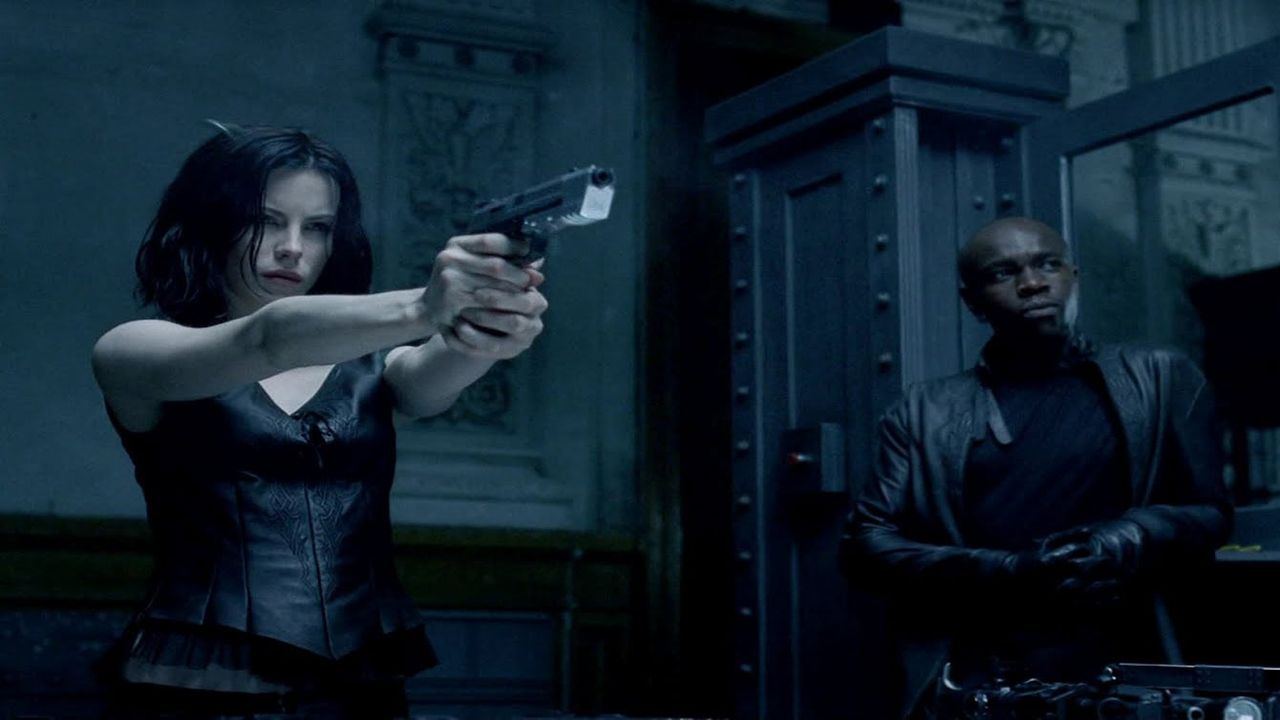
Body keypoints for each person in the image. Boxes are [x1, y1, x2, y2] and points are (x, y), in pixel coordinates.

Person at [90, 123, 549, 718]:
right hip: (197, 682)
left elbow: (442, 367)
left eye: (317, 228)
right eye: (265, 220)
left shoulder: (378, 370)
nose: (293, 248)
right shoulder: (134, 350)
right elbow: (266, 339)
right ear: (212, 223)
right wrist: (425, 306)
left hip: (362, 685)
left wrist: (489, 321)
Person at [840, 216, 1233, 720]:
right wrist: (1010, 568)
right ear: (973, 303)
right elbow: (865, 545)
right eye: (1003, 273)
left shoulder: (1161, 376)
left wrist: (1127, 536)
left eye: (1047, 265)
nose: (1032, 283)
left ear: (1073, 276)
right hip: (985, 673)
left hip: (1128, 665)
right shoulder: (924, 410)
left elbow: (1210, 513)